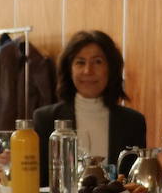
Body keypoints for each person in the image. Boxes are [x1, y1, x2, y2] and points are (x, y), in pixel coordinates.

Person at [33, 30, 146, 182]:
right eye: (80, 62)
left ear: (111, 68)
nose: (88, 71)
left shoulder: (133, 122)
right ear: (69, 69)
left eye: (97, 62)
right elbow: (41, 183)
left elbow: (134, 185)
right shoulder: (45, 119)